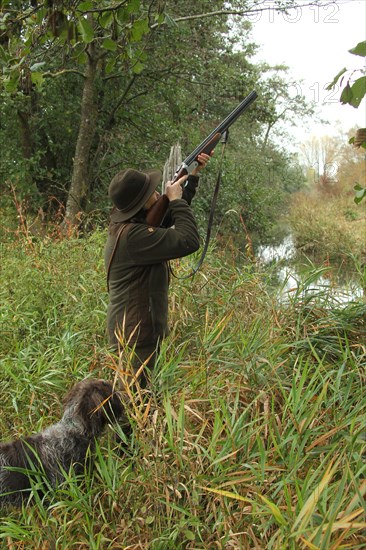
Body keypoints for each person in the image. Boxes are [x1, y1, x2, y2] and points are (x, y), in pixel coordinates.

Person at [104, 153, 210, 387]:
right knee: (135, 405)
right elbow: (188, 240)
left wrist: (191, 178)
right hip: (135, 334)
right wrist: (175, 200)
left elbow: (166, 218)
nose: (157, 193)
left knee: (141, 398)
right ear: (141, 204)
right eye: (152, 192)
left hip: (134, 329)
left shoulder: (128, 227)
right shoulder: (135, 237)